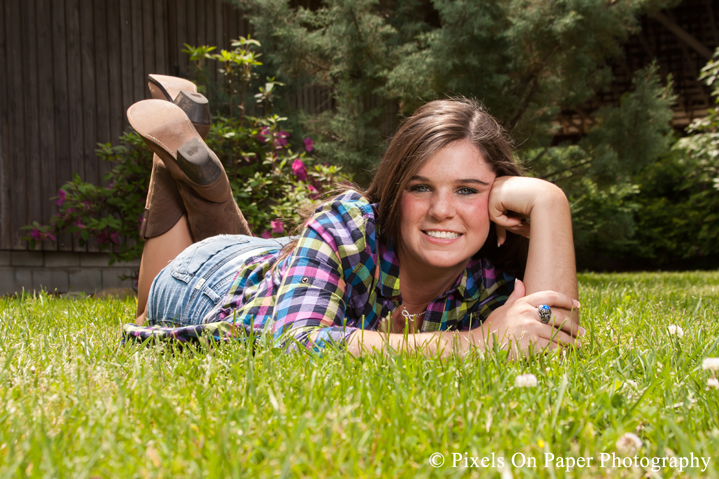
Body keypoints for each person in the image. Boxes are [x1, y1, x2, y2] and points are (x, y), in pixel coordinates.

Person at [123, 76, 583, 358]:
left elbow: (546, 344)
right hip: (209, 276)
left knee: (280, 264)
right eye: (420, 187)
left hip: (284, 261)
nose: (442, 210)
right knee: (148, 304)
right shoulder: (346, 226)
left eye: (467, 190)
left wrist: (549, 201)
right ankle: (167, 169)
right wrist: (474, 344)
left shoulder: (488, 272)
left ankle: (201, 170)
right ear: (393, 189)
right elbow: (296, 344)